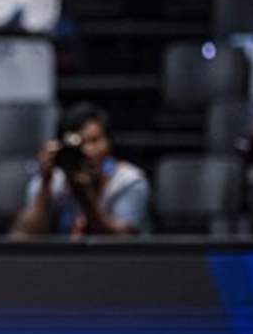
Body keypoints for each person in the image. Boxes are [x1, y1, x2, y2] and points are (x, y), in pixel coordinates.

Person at [12, 102, 150, 237]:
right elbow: (26, 236)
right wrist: (45, 182)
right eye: (79, 144)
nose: (87, 151)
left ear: (109, 142)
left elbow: (122, 241)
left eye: (94, 141)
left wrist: (84, 195)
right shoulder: (53, 181)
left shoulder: (129, 181)